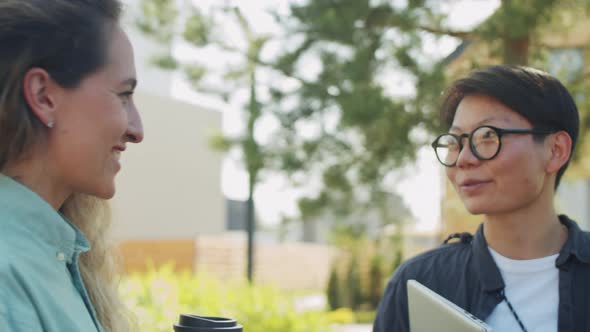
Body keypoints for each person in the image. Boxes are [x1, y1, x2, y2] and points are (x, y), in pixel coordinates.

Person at [373, 65, 590, 332]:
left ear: (556, 150)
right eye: (455, 141)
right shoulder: (420, 284)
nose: (464, 159)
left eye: (487, 136)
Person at [0, 1, 143, 331]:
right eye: (123, 95)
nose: (137, 131)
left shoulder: (48, 257)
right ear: (43, 96)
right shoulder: (9, 275)